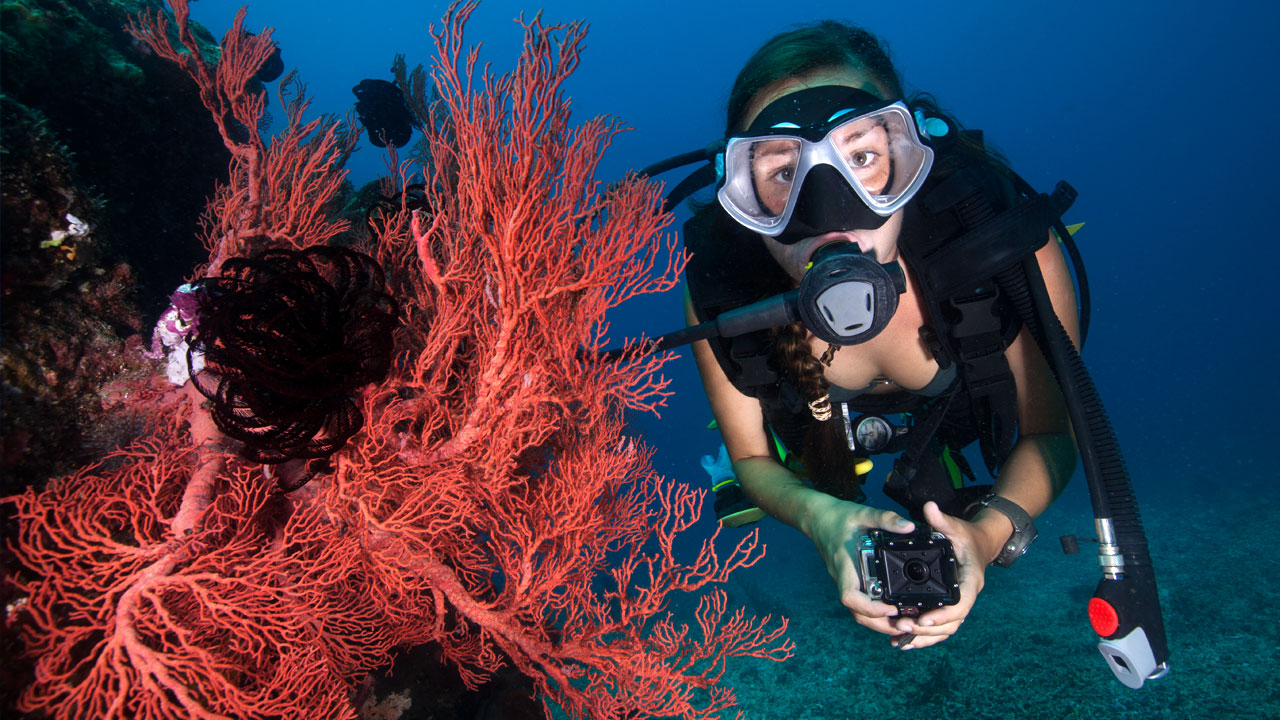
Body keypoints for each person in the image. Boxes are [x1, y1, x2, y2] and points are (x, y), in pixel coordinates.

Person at [681, 21, 1081, 651]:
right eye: (783, 174)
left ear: (911, 154)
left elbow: (1053, 433)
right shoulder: (722, 286)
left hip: (959, 400)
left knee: (943, 485)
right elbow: (753, 459)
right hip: (816, 412)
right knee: (802, 465)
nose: (828, 210)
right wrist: (820, 516)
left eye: (861, 156)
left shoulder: (1001, 242)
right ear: (740, 193)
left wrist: (983, 535)